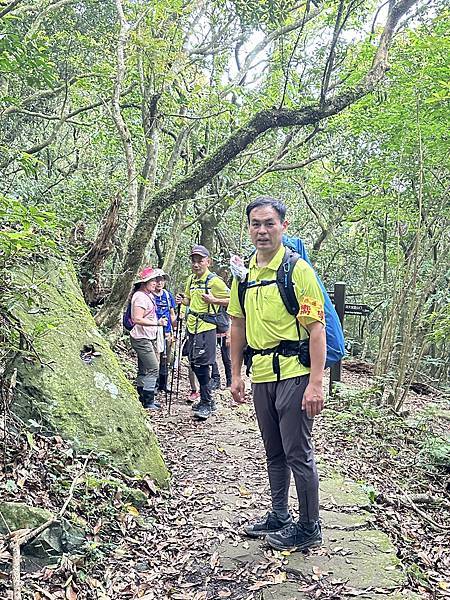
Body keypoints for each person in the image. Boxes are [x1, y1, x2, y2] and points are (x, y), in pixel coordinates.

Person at [228, 196, 326, 552]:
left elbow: (316, 329)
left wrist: (316, 383)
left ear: (284, 226)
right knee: (273, 451)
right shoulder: (245, 275)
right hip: (262, 375)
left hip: (295, 373)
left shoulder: (297, 270)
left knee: (297, 451)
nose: (262, 230)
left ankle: (309, 525)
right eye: (256, 223)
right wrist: (236, 375)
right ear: (249, 228)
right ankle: (279, 515)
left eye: (269, 223)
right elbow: (236, 325)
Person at [176, 245, 230, 420]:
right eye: (194, 261)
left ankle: (207, 402)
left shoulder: (214, 281)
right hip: (192, 326)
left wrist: (214, 300)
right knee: (193, 362)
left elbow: (233, 300)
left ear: (208, 262)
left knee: (201, 364)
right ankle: (206, 400)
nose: (196, 264)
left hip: (207, 327)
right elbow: (189, 300)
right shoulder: (191, 280)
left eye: (200, 260)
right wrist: (182, 300)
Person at [130, 267, 168, 410]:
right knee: (153, 368)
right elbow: (137, 318)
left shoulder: (148, 295)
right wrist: (157, 323)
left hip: (146, 336)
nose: (155, 282)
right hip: (141, 338)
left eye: (156, 280)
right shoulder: (140, 297)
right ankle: (148, 400)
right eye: (152, 280)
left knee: (144, 369)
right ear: (144, 282)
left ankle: (142, 396)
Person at [153, 270, 177, 394]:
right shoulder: (149, 295)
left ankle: (164, 384)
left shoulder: (168, 296)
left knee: (166, 358)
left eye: (161, 279)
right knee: (155, 358)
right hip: (153, 332)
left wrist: (175, 328)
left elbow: (172, 313)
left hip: (167, 332)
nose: (159, 282)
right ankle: (154, 385)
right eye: (156, 279)